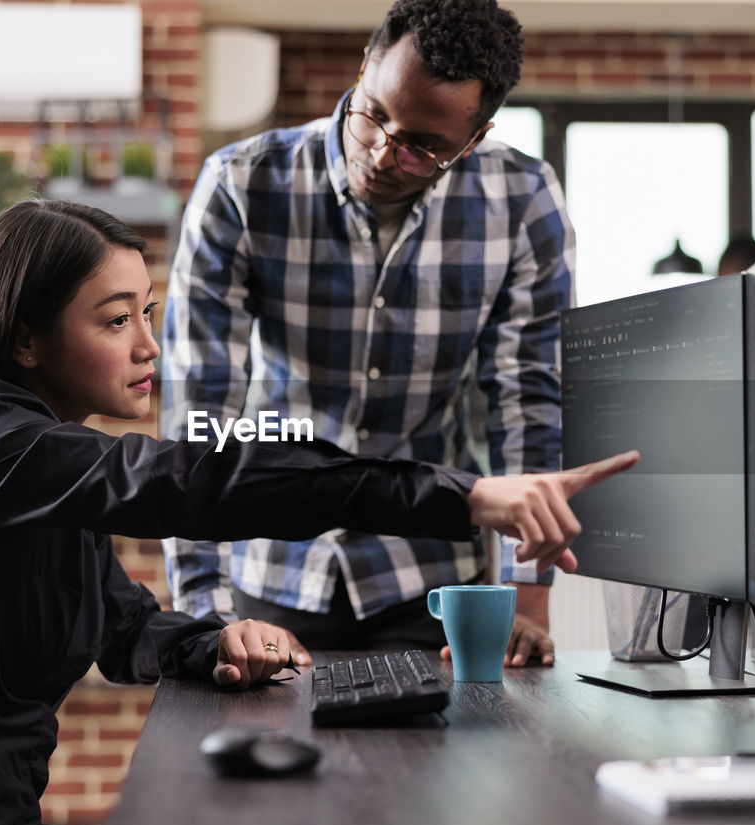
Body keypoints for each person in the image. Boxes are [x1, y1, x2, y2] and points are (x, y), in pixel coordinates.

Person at [0, 199, 635, 825]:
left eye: (147, 312)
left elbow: (122, 623)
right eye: (116, 321)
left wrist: (212, 642)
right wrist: (465, 495)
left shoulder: (42, 462)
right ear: (27, 339)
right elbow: (198, 480)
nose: (150, 346)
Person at [161, 0, 574, 671]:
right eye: (374, 113)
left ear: (473, 139)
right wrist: (208, 612)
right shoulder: (241, 185)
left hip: (434, 579)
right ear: (364, 67)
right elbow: (201, 413)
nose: (383, 153)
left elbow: (527, 404)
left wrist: (525, 602)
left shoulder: (522, 200)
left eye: (422, 146)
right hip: (271, 569)